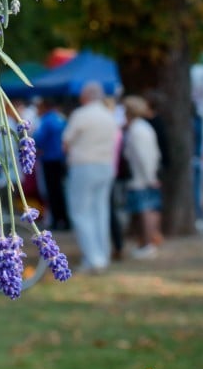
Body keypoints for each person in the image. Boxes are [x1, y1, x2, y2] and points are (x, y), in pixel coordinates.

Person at [62, 81, 118, 273]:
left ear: (85, 96)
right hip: (106, 166)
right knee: (100, 211)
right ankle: (102, 254)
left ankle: (93, 258)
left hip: (84, 166)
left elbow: (67, 141)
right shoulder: (108, 115)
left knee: (81, 212)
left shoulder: (81, 115)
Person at [123, 95, 162, 259]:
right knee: (147, 210)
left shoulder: (138, 130)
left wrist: (149, 177)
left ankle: (147, 243)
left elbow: (144, 156)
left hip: (142, 178)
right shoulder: (141, 128)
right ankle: (146, 242)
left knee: (145, 211)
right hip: (144, 177)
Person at [35, 97, 70, 229]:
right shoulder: (60, 118)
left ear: (45, 107)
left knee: (52, 191)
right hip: (61, 159)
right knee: (61, 190)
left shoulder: (46, 120)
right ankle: (65, 219)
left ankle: (57, 220)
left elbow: (38, 139)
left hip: (49, 160)